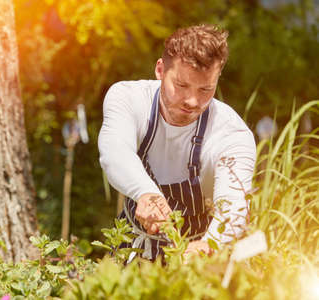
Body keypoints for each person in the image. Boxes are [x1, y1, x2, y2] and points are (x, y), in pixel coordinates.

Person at [98, 24, 256, 263]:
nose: (192, 101)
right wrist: (146, 193)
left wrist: (208, 246)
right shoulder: (127, 98)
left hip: (198, 254)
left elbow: (233, 206)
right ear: (160, 70)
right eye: (181, 86)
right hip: (133, 246)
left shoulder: (231, 134)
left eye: (206, 89)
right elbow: (115, 153)